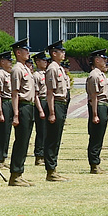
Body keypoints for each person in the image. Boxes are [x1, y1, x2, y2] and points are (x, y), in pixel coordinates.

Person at [9, 40, 39, 186]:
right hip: (22, 107)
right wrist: (15, 114)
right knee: (20, 141)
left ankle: (20, 172)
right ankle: (15, 174)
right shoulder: (17, 69)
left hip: (30, 106)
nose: (28, 53)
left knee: (26, 141)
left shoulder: (26, 69)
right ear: (18, 53)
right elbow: (14, 93)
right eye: (25, 50)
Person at [42, 42, 71, 181]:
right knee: (52, 138)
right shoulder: (52, 68)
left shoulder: (59, 68)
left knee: (57, 137)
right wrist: (52, 112)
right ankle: (50, 170)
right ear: (54, 53)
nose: (63, 53)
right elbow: (50, 92)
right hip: (55, 104)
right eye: (61, 51)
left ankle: (53, 168)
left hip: (61, 104)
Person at [86, 48, 108, 174]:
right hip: (98, 106)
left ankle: (96, 162)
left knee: (100, 135)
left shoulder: (101, 74)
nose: (105, 61)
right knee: (96, 135)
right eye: (103, 59)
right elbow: (94, 96)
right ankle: (94, 164)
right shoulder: (94, 75)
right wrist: (95, 114)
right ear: (97, 60)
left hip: (103, 105)